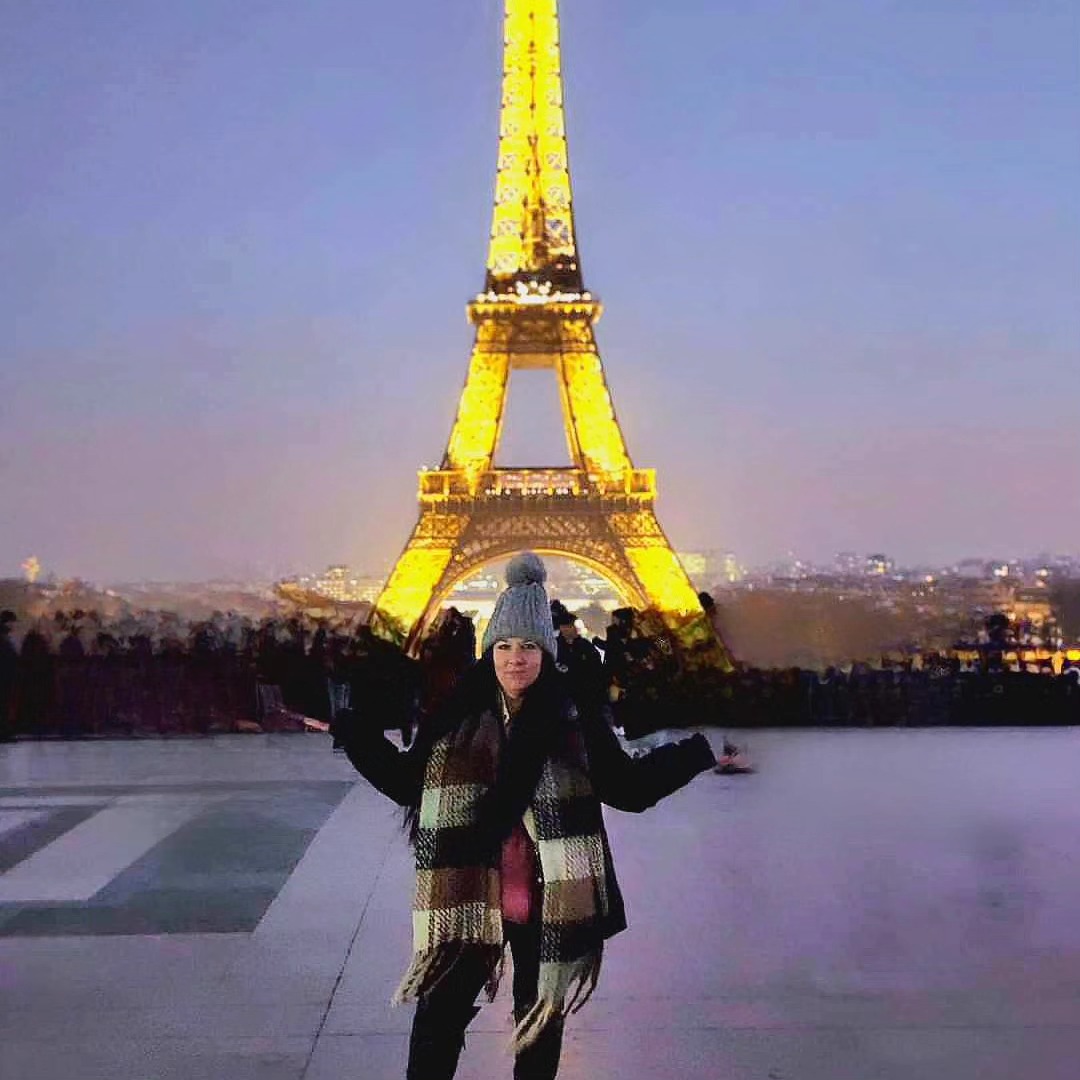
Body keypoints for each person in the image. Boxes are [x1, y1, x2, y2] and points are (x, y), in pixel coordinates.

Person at [338, 553, 717, 1080]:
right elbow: (406, 783)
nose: (517, 658)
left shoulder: (574, 719)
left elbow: (628, 788)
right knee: (439, 1017)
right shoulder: (454, 720)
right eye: (506, 646)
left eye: (530, 647)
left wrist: (698, 752)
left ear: (547, 653)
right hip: (469, 890)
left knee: (538, 1022)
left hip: (547, 898)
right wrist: (353, 733)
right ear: (489, 651)